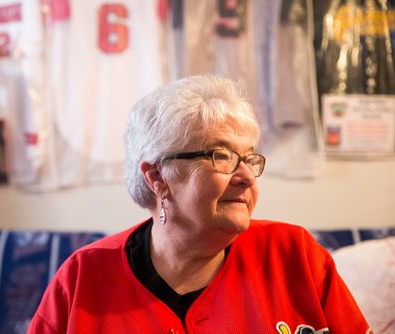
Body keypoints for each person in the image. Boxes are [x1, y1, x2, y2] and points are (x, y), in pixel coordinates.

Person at [27, 76, 371, 333]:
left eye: (248, 158)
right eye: (221, 155)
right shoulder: (82, 280)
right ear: (158, 177)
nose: (247, 177)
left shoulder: (295, 255)